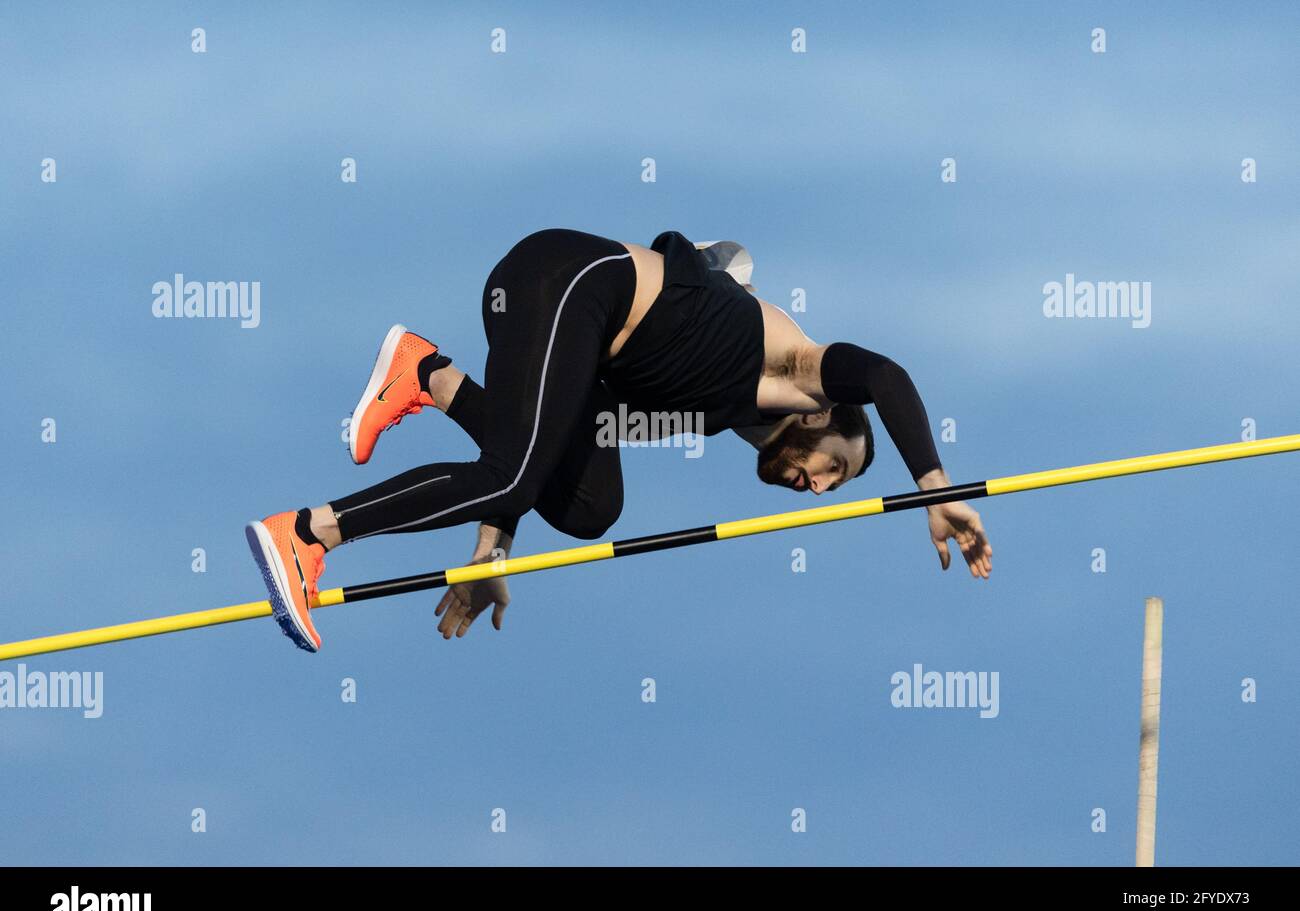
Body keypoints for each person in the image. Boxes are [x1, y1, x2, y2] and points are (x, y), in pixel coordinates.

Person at [246, 229, 992, 652]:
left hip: (569, 332)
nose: (821, 487)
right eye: (835, 466)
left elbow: (538, 448)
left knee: (591, 504)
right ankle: (309, 532)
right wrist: (938, 490)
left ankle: (427, 374)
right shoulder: (799, 371)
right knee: (513, 475)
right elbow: (888, 376)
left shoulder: (709, 409)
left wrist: (489, 555)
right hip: (564, 281)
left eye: (834, 488)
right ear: (817, 417)